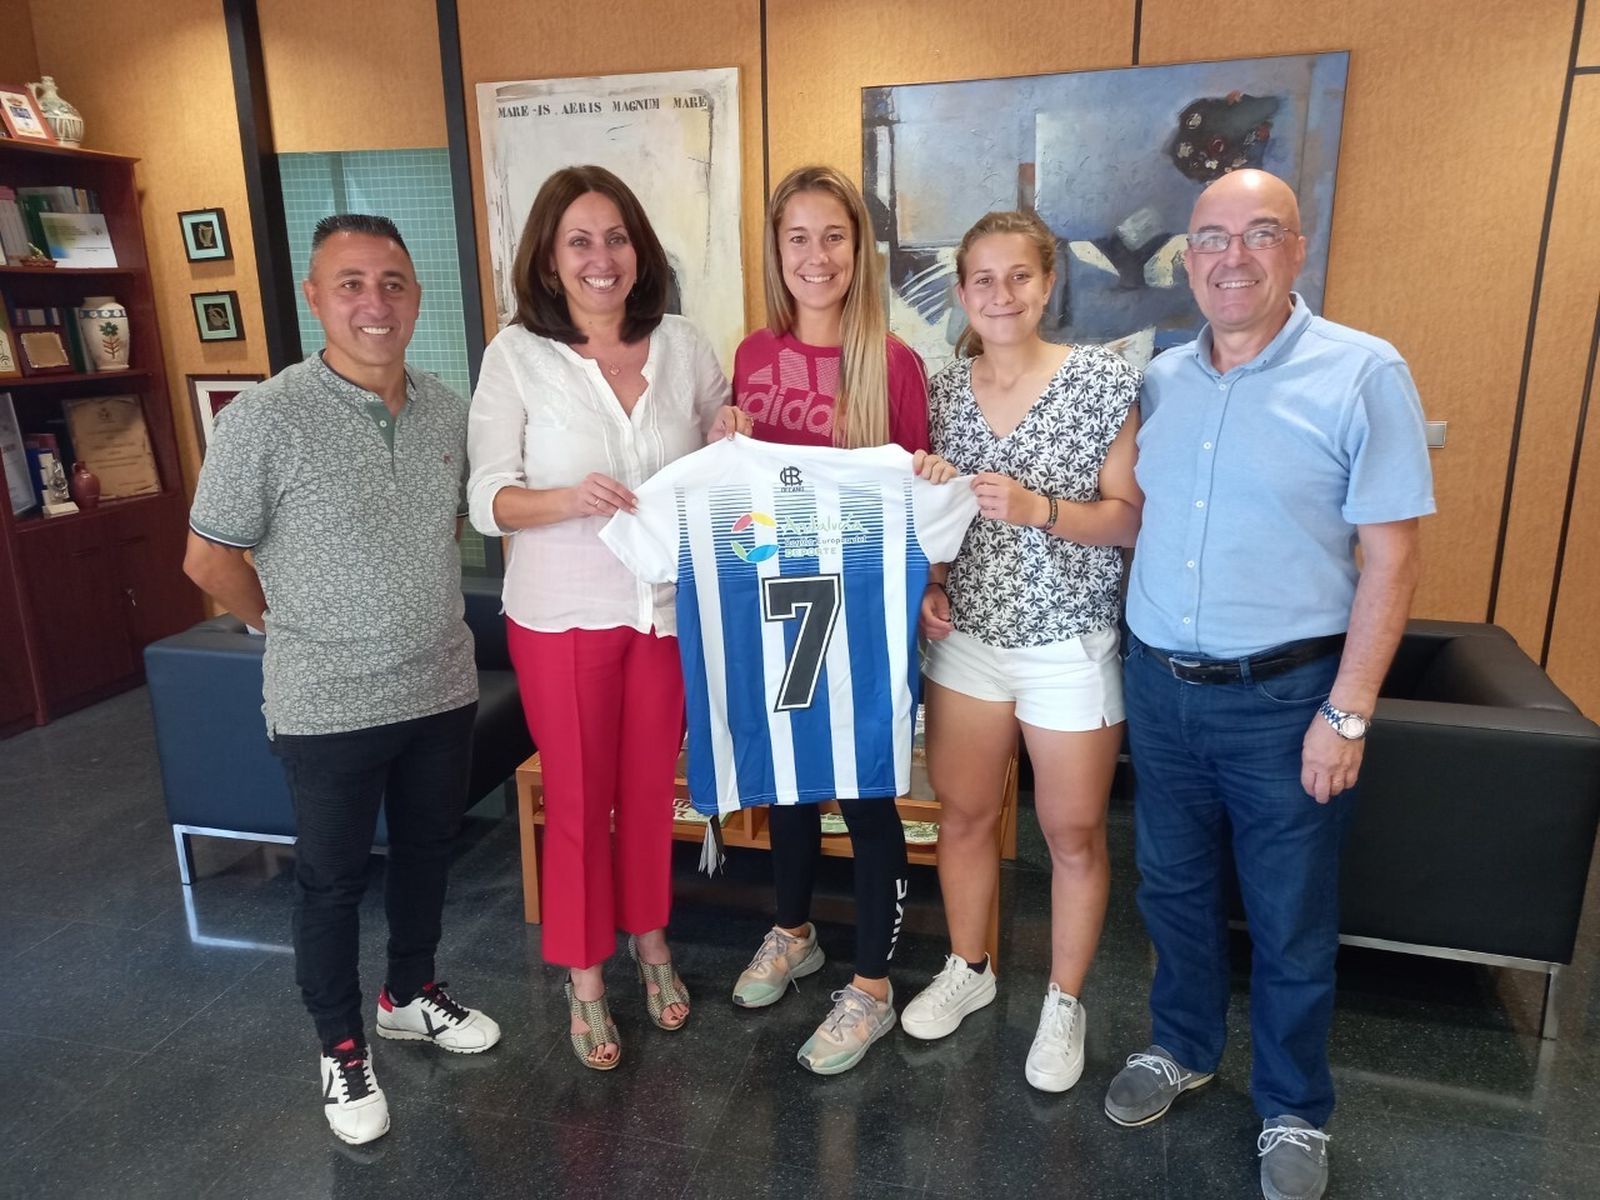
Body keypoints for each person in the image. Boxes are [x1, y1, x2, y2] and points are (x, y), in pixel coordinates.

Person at [1104, 169, 1432, 1200]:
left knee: (1289, 915)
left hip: (1286, 699)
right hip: (1160, 687)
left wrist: (1347, 712)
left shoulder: (1363, 374)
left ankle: (1294, 1106)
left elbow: (1391, 559)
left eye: (1257, 235)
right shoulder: (1157, 379)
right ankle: (1183, 1045)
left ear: (1297, 248)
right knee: (1174, 890)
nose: (1229, 257)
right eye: (1209, 238)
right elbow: (1127, 518)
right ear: (1186, 256)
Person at [185, 214, 500, 1148]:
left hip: (440, 687)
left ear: (416, 297)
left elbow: (444, 529)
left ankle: (411, 991)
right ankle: (342, 1046)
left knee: (426, 854)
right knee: (328, 884)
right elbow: (208, 559)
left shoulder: (448, 407)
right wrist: (281, 619)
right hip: (326, 703)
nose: (376, 303)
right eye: (352, 284)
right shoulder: (265, 419)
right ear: (315, 298)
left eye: (394, 283)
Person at [466, 165, 748, 1071]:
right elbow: (485, 500)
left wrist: (728, 432)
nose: (602, 257)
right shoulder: (516, 355)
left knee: (647, 797)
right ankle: (586, 979)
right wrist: (564, 500)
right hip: (562, 615)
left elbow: (719, 437)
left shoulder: (684, 343)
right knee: (581, 801)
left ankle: (652, 942)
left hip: (663, 613)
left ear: (640, 250)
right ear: (549, 262)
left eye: (617, 237)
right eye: (579, 241)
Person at [900, 210, 1142, 1093]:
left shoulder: (1103, 384)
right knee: (963, 817)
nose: (1001, 295)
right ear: (962, 292)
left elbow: (1128, 517)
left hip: (1069, 642)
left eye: (1019, 278)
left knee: (1071, 833)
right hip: (966, 638)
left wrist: (1042, 508)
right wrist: (929, 579)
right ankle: (970, 968)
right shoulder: (936, 387)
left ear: (1048, 285)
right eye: (983, 280)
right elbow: (922, 510)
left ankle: (1064, 1002)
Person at [728, 163, 951, 1076]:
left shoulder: (893, 365)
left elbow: (916, 498)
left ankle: (870, 987)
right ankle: (794, 932)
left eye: (833, 237)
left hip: (860, 607)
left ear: (859, 251)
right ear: (776, 252)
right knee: (785, 780)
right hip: (774, 597)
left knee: (862, 792)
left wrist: (932, 565)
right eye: (797, 238)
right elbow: (740, 493)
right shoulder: (749, 355)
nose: (815, 257)